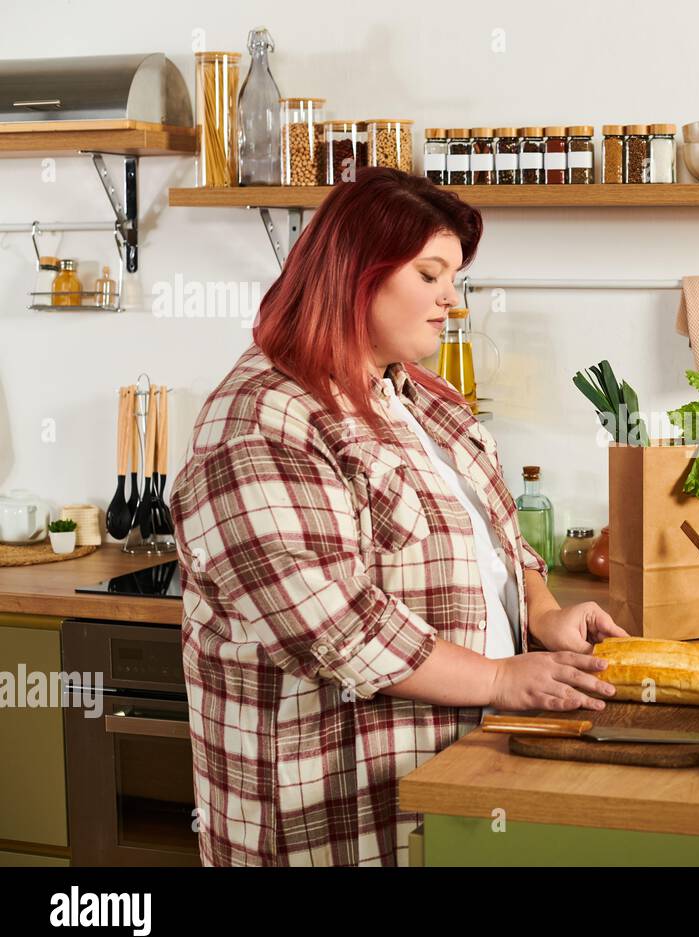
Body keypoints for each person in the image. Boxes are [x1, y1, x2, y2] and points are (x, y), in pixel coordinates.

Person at [169, 166, 627, 866]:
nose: (453, 300)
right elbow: (336, 628)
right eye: (431, 274)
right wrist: (504, 679)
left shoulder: (421, 398)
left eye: (454, 278)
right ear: (357, 274)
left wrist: (540, 611)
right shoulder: (260, 421)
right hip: (331, 812)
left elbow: (500, 535)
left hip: (452, 778)